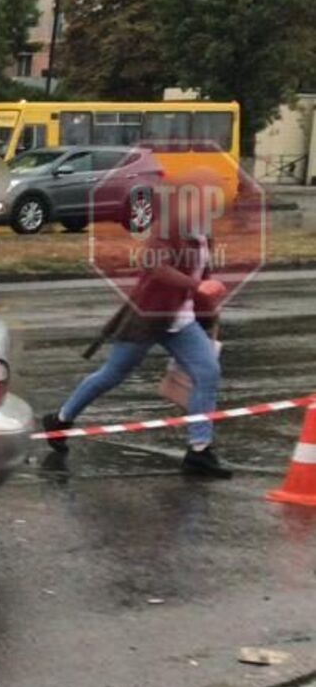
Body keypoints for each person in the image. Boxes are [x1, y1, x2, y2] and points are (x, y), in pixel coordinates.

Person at [46, 168, 231, 478]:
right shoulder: (167, 227)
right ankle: (61, 420)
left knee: (207, 373)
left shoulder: (203, 231)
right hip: (148, 315)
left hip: (181, 319)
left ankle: (199, 451)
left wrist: (209, 296)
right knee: (113, 374)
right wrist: (196, 286)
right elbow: (157, 267)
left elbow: (202, 273)